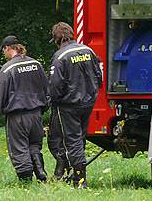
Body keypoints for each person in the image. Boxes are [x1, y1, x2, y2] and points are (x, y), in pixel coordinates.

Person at [48, 22, 102, 188]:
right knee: (80, 138)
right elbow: (99, 76)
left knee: (72, 140)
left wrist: (55, 101)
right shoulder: (89, 51)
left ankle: (79, 180)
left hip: (68, 105)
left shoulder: (60, 57)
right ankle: (75, 174)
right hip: (88, 102)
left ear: (57, 39)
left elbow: (55, 85)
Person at [0, 35, 49, 182]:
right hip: (36, 114)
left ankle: (26, 180)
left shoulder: (8, 69)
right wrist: (43, 109)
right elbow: (46, 89)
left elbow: (0, 95)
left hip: (17, 116)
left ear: (7, 48)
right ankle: (41, 173)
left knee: (19, 148)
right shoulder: (36, 64)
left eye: (3, 51)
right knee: (35, 145)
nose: (3, 54)